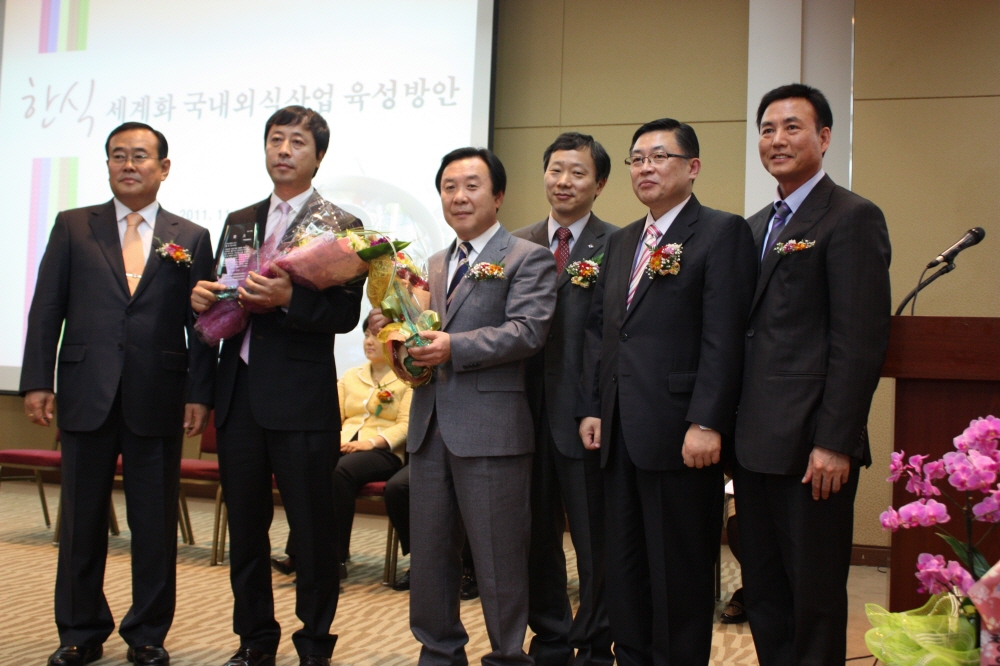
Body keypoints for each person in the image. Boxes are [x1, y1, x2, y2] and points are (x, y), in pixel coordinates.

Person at [20, 122, 215, 666]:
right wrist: (37, 380)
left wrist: (200, 392)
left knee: (153, 524)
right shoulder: (73, 225)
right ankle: (79, 632)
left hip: (159, 393)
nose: (129, 165)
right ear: (108, 164)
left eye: (140, 156)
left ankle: (147, 635)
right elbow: (46, 308)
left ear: (164, 168)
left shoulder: (191, 236)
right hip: (87, 390)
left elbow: (204, 323)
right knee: (81, 522)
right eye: (118, 156)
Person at [578, 118, 756, 665]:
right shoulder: (622, 240)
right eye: (637, 159)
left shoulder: (721, 232)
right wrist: (594, 407)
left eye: (659, 157)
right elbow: (606, 331)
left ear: (692, 167)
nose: (645, 168)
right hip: (619, 433)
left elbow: (725, 337)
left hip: (681, 434)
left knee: (678, 573)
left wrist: (707, 421)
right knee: (625, 568)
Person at [190, 106, 363, 666]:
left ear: (319, 156)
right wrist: (203, 297)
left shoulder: (339, 223)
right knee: (245, 530)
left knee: (311, 532)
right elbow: (228, 292)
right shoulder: (241, 219)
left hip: (301, 401)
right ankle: (254, 640)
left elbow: (344, 315)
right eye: (275, 140)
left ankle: (314, 642)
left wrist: (290, 300)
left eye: (297, 142)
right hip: (238, 395)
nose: (284, 150)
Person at [372, 147, 557, 665]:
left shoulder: (527, 257)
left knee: (499, 557)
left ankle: (507, 655)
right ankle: (438, 651)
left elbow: (527, 332)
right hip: (429, 428)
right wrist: (401, 340)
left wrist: (455, 347)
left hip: (492, 430)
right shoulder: (434, 263)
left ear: (498, 196)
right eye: (449, 187)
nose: (459, 196)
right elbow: (424, 334)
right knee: (431, 555)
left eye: (472, 186)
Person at [733, 83, 891, 666]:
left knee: (814, 598)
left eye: (792, 127)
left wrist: (835, 441)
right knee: (764, 592)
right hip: (752, 447)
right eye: (767, 129)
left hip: (811, 451)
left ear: (824, 137)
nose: (777, 139)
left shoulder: (851, 217)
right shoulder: (752, 227)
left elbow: (859, 342)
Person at [512, 131, 615, 666]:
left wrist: (595, 405)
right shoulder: (515, 244)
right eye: (556, 170)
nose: (564, 181)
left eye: (578, 172)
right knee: (535, 538)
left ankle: (595, 643)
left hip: (583, 418)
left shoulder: (617, 245)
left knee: (595, 541)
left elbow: (612, 338)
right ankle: (551, 639)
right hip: (521, 416)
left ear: (599, 183)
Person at [270, 315, 410, 579]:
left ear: (394, 342)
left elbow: (405, 425)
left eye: (376, 336)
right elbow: (332, 414)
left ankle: (334, 559)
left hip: (384, 452)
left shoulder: (405, 378)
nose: (369, 341)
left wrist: (368, 443)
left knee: (338, 472)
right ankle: (300, 555)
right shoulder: (351, 376)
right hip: (344, 446)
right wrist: (335, 441)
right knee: (313, 468)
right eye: (366, 335)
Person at [383, 465, 479, 599]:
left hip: (471, 459)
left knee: (463, 487)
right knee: (397, 488)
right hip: (430, 456)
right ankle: (421, 562)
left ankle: (470, 568)